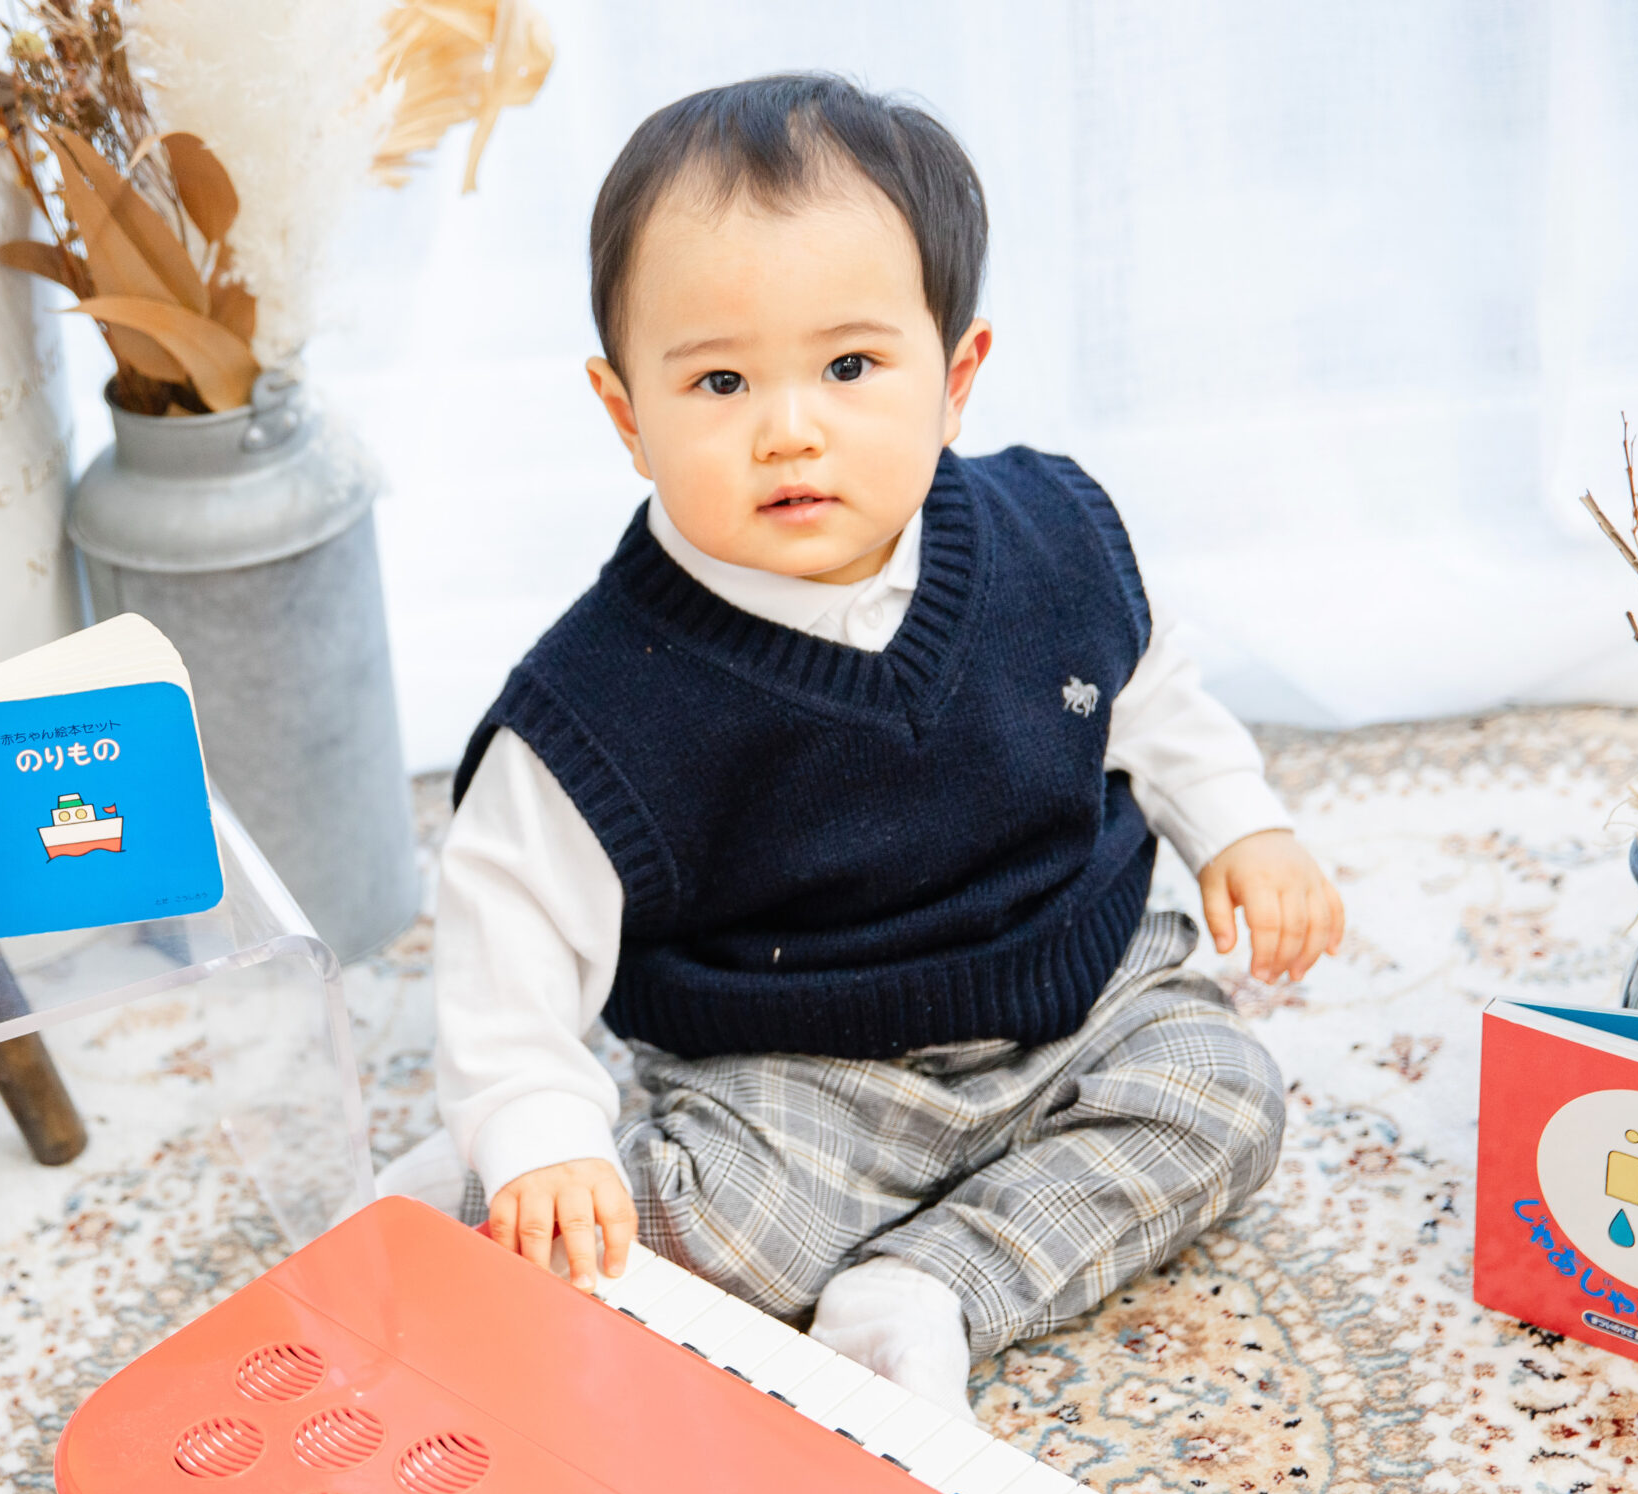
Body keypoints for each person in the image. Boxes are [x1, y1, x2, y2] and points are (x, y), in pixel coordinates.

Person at [414, 73, 1344, 1419]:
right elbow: (504, 938)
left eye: (850, 367)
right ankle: (509, 1188)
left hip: (1073, 991)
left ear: (954, 376)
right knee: (663, 1241)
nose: (790, 426)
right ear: (627, 415)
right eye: (720, 380)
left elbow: (1147, 693)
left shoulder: (1050, 538)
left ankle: (928, 1283)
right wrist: (538, 1140)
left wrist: (1243, 827)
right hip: (800, 1073)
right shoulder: (600, 701)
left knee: (1226, 1099)